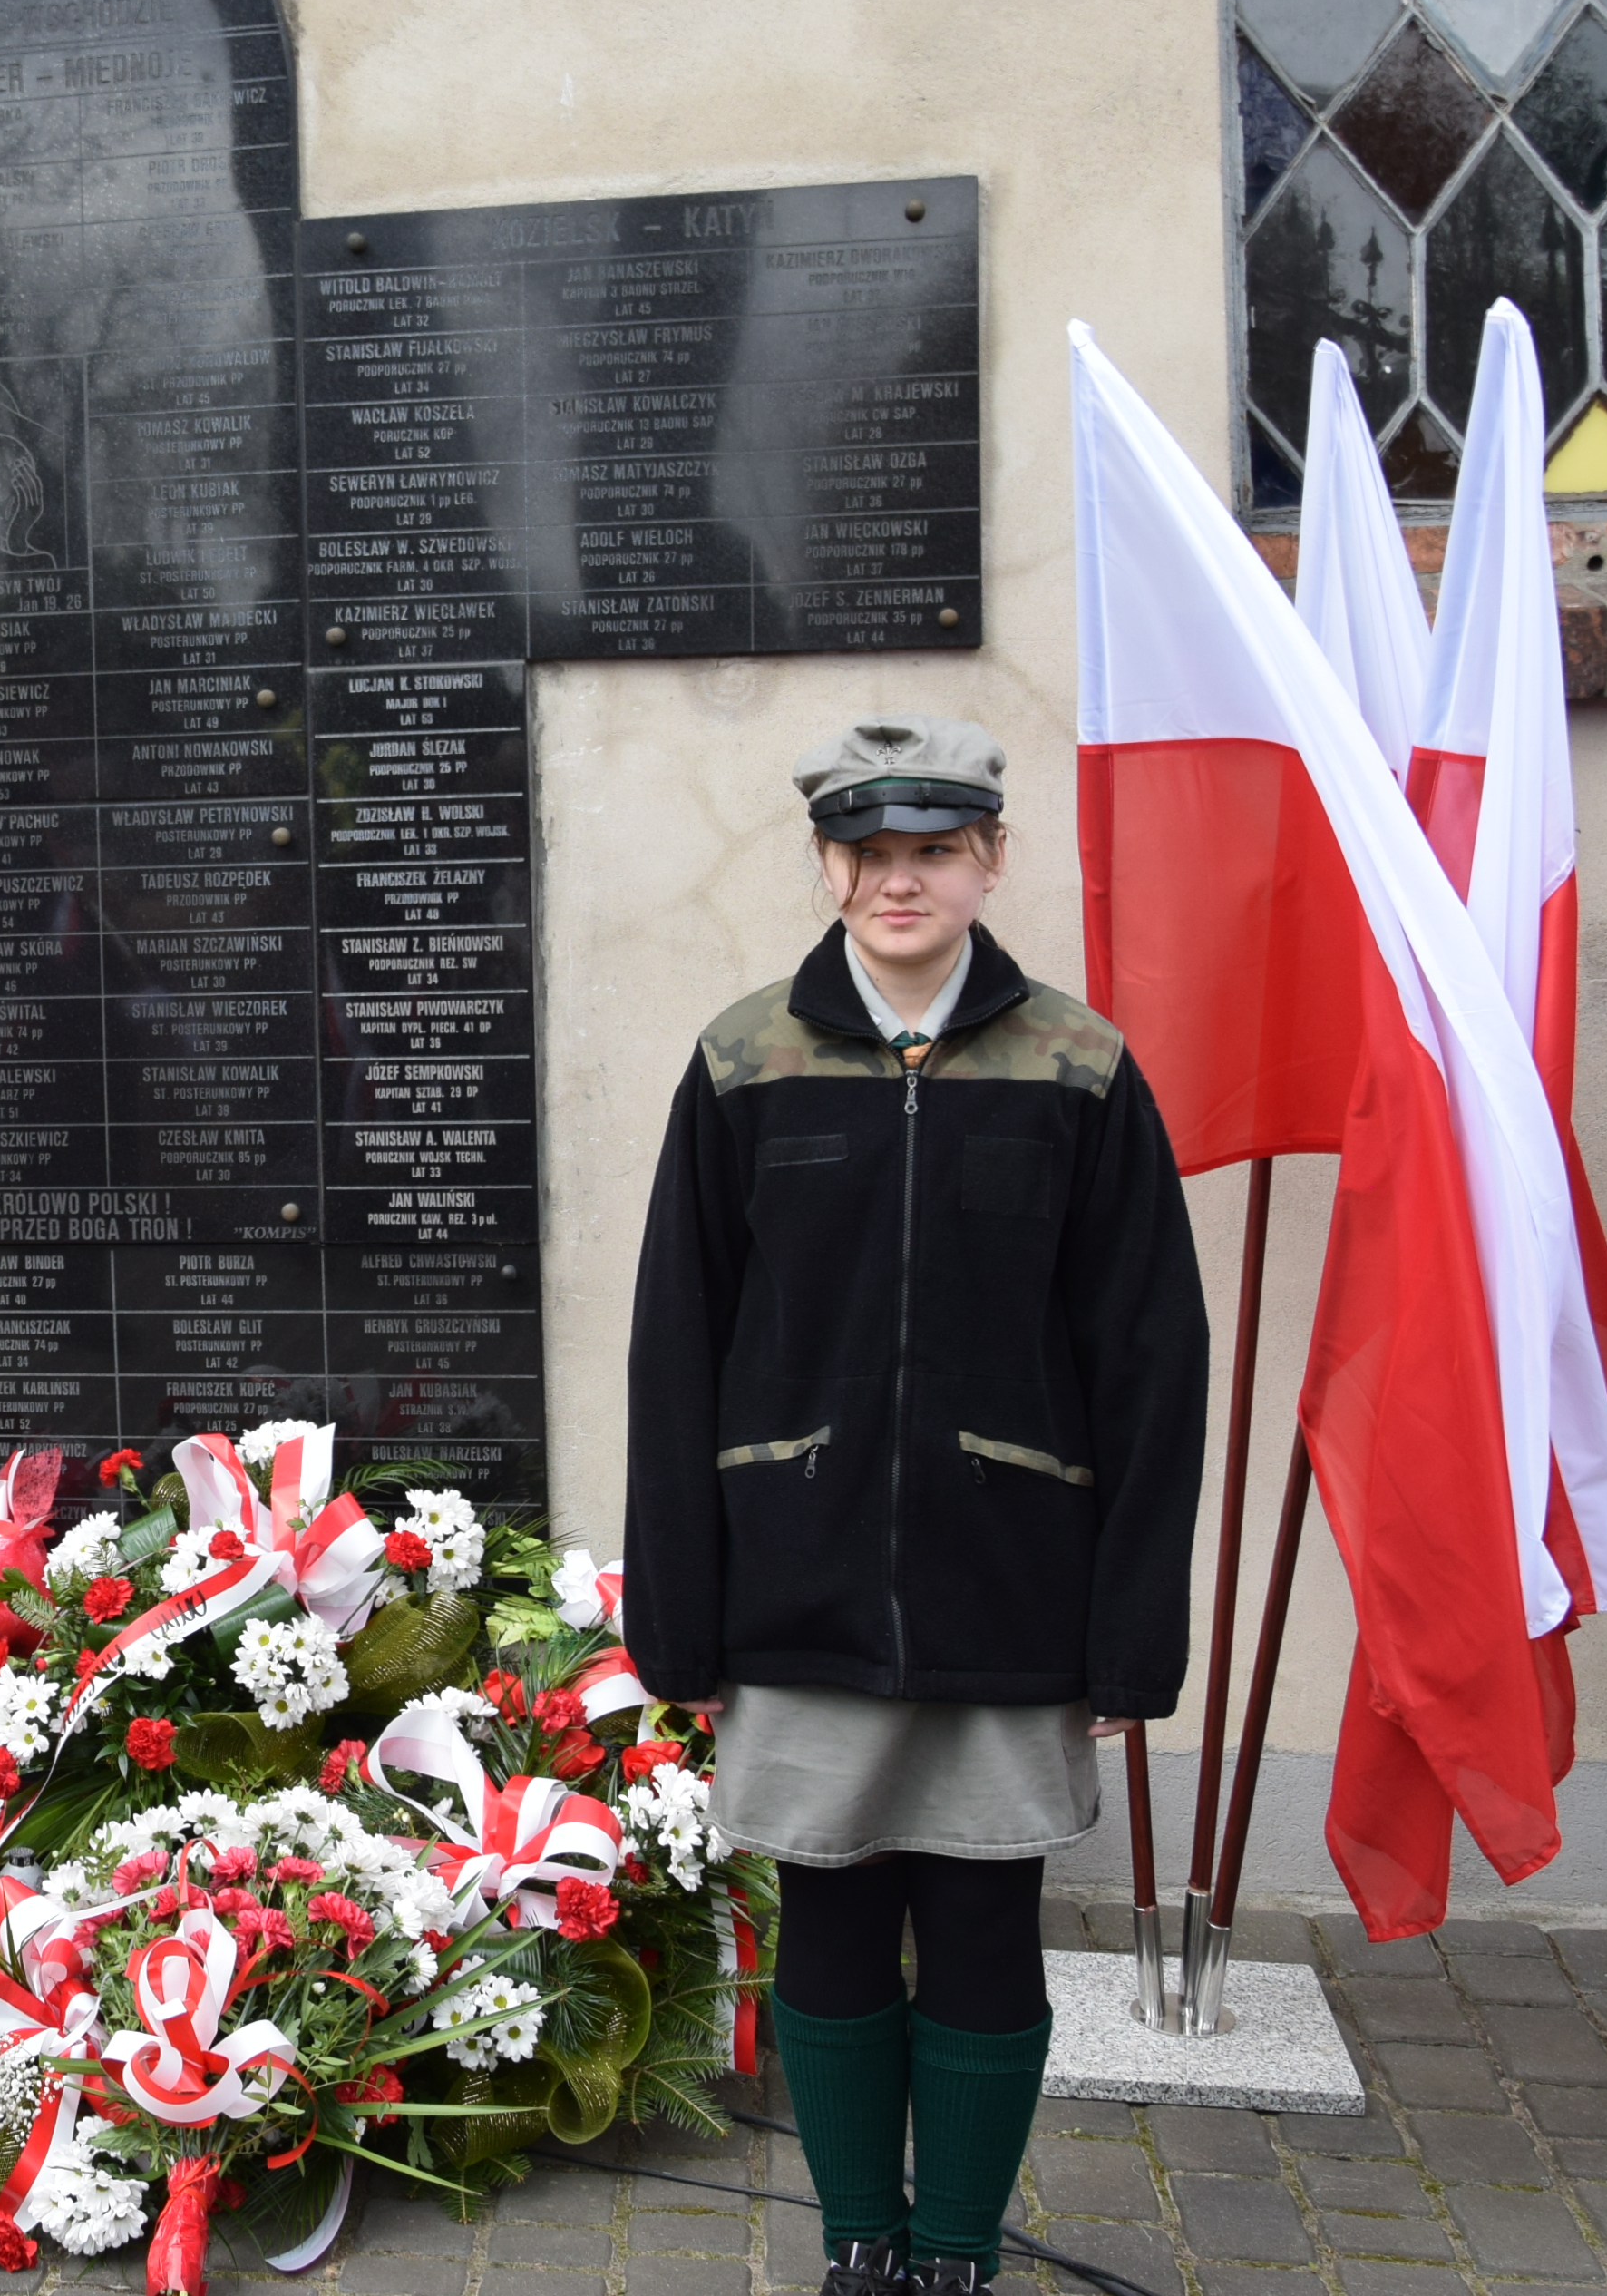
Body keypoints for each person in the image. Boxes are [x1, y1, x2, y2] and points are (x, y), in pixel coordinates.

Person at [621, 718, 1206, 2296]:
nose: (901, 881)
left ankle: (955, 2253)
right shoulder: (746, 1061)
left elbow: (1152, 1360)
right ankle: (860, 2245)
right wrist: (678, 1619)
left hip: (1008, 1587)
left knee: (985, 1931)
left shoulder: (1077, 1067)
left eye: (935, 850)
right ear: (826, 866)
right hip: (795, 1585)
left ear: (990, 860)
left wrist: (1130, 1636)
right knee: (827, 1925)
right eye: (869, 852)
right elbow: (678, 1347)